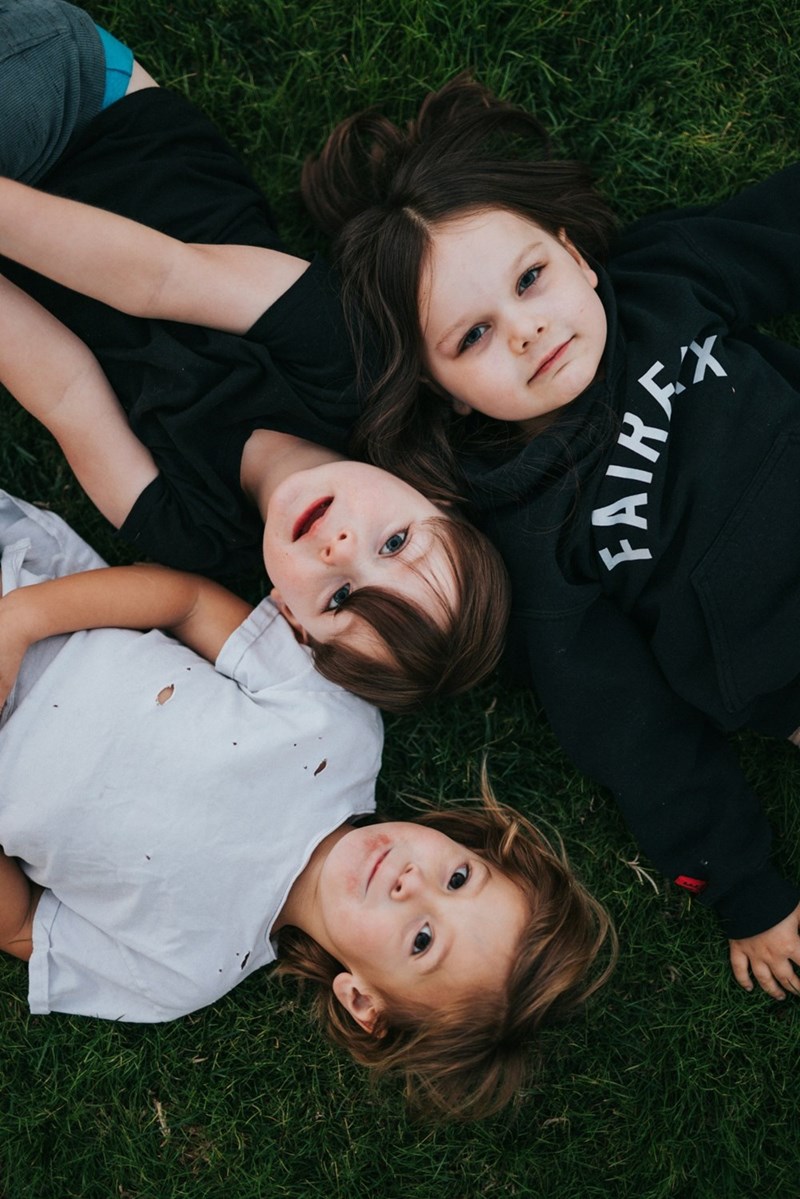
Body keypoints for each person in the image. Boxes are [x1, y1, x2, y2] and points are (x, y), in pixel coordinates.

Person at [300, 74, 800, 999]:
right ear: (447, 391)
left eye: (530, 279)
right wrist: (747, 890)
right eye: (475, 336)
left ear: (572, 252)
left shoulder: (665, 282)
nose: (528, 330)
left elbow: (781, 228)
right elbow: (635, 735)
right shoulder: (530, 529)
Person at [0, 492, 614, 1122]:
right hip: (30, 599)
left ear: (362, 1001)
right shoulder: (341, 730)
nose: (414, 885)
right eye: (459, 877)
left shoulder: (183, 970)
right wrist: (19, 621)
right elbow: (187, 604)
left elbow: (23, 926)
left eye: (423, 939)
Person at [0, 3, 511, 712]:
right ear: (435, 499)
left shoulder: (192, 537)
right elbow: (162, 275)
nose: (338, 546)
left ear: (295, 626)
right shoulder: (349, 360)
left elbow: (63, 387)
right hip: (83, 112)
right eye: (394, 541)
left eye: (340, 598)